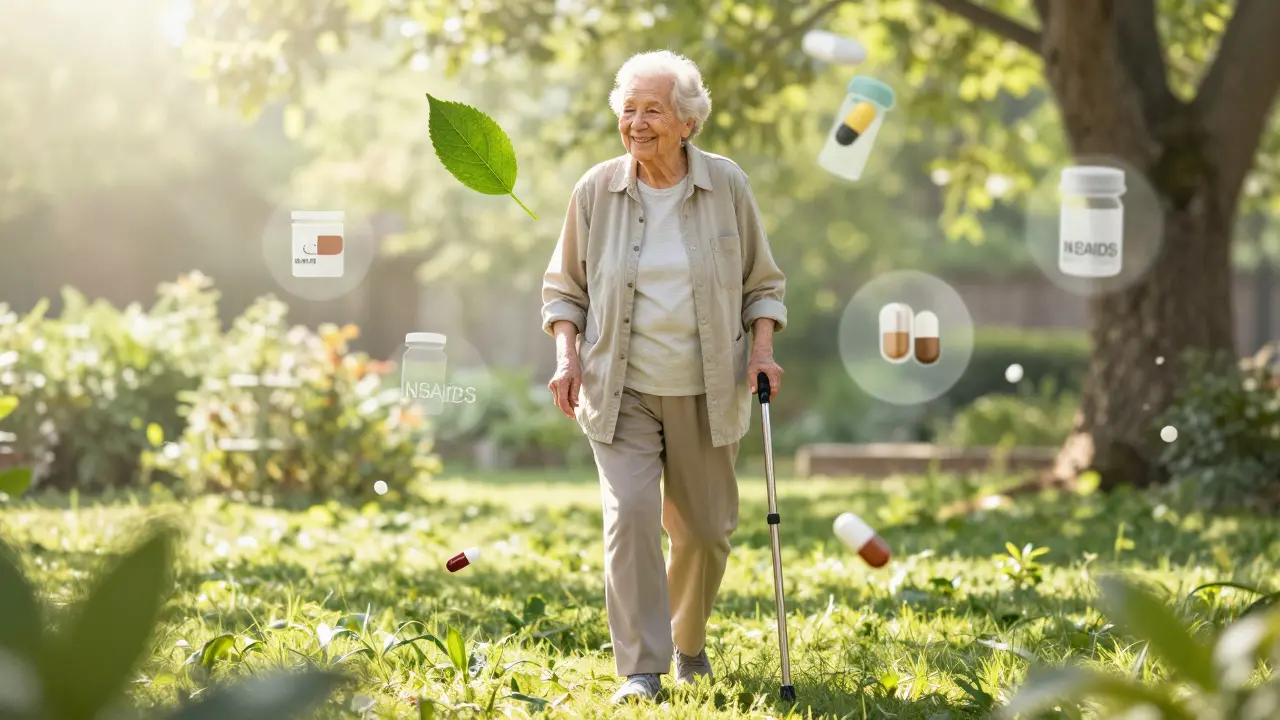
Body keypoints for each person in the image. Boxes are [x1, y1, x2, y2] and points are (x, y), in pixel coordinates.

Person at [540, 50, 787, 704]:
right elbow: (564, 289)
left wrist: (762, 350)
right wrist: (567, 356)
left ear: (687, 122)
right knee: (632, 516)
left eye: (652, 110)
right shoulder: (596, 191)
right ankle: (641, 671)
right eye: (628, 109)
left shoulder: (726, 186)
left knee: (704, 534)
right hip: (618, 390)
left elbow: (763, 285)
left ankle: (688, 644)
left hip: (709, 389)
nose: (637, 122)